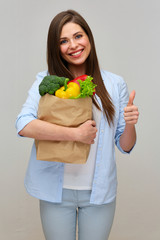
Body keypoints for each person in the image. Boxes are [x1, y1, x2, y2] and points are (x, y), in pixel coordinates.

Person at [15, 9, 139, 240]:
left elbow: (125, 145)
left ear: (88, 38)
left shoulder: (114, 83)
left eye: (78, 36)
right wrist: (75, 134)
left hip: (99, 194)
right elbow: (23, 124)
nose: (73, 45)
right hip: (56, 192)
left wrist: (130, 123)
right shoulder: (45, 81)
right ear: (56, 48)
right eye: (63, 41)